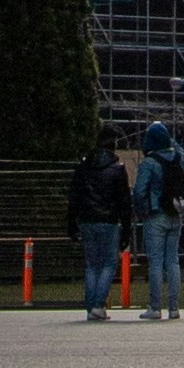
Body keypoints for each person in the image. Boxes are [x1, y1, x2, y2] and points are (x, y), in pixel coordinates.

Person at [134, 122, 184, 327]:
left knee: (156, 262)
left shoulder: (149, 163)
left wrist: (143, 211)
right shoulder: (178, 159)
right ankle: (174, 307)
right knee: (173, 261)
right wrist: (170, 140)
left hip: (156, 215)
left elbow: (139, 191)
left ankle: (155, 307)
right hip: (175, 214)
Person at [73, 127, 129, 321]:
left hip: (87, 220)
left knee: (92, 265)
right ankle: (98, 304)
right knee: (109, 263)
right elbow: (124, 202)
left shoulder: (84, 167)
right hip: (109, 221)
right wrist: (126, 230)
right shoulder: (117, 169)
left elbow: (75, 195)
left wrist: (72, 221)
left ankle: (91, 307)